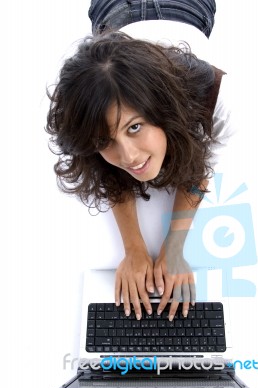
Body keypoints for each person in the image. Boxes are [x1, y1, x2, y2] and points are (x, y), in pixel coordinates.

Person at [46, 0, 233, 321]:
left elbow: (200, 164)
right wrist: (133, 250)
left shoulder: (215, 97)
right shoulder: (88, 98)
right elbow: (102, 165)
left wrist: (174, 248)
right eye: (107, 141)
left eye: (135, 127)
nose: (129, 157)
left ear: (164, 114)